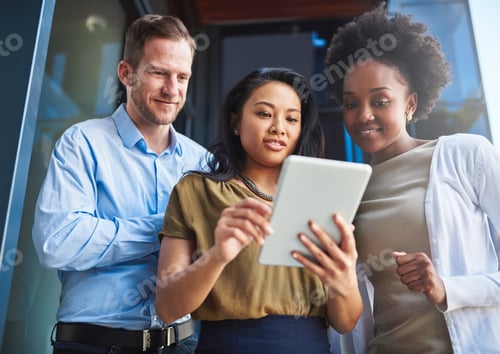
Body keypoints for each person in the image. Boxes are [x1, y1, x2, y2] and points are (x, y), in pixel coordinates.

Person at [324, 4, 500, 354]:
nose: (364, 115)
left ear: (410, 104)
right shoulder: (347, 190)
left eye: (381, 101)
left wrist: (447, 288)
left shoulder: (467, 156)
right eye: (350, 104)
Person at [154, 67, 363, 354]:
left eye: (291, 118)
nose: (279, 127)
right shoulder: (197, 190)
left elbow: (346, 322)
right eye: (264, 114)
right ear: (235, 122)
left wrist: (345, 280)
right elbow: (167, 308)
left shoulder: (321, 197)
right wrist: (217, 256)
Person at [32, 14, 207, 354]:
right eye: (159, 73)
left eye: (182, 76)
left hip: (181, 343)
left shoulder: (201, 163)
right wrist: (169, 231)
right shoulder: (82, 143)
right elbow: (58, 242)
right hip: (94, 344)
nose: (172, 89)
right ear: (126, 73)